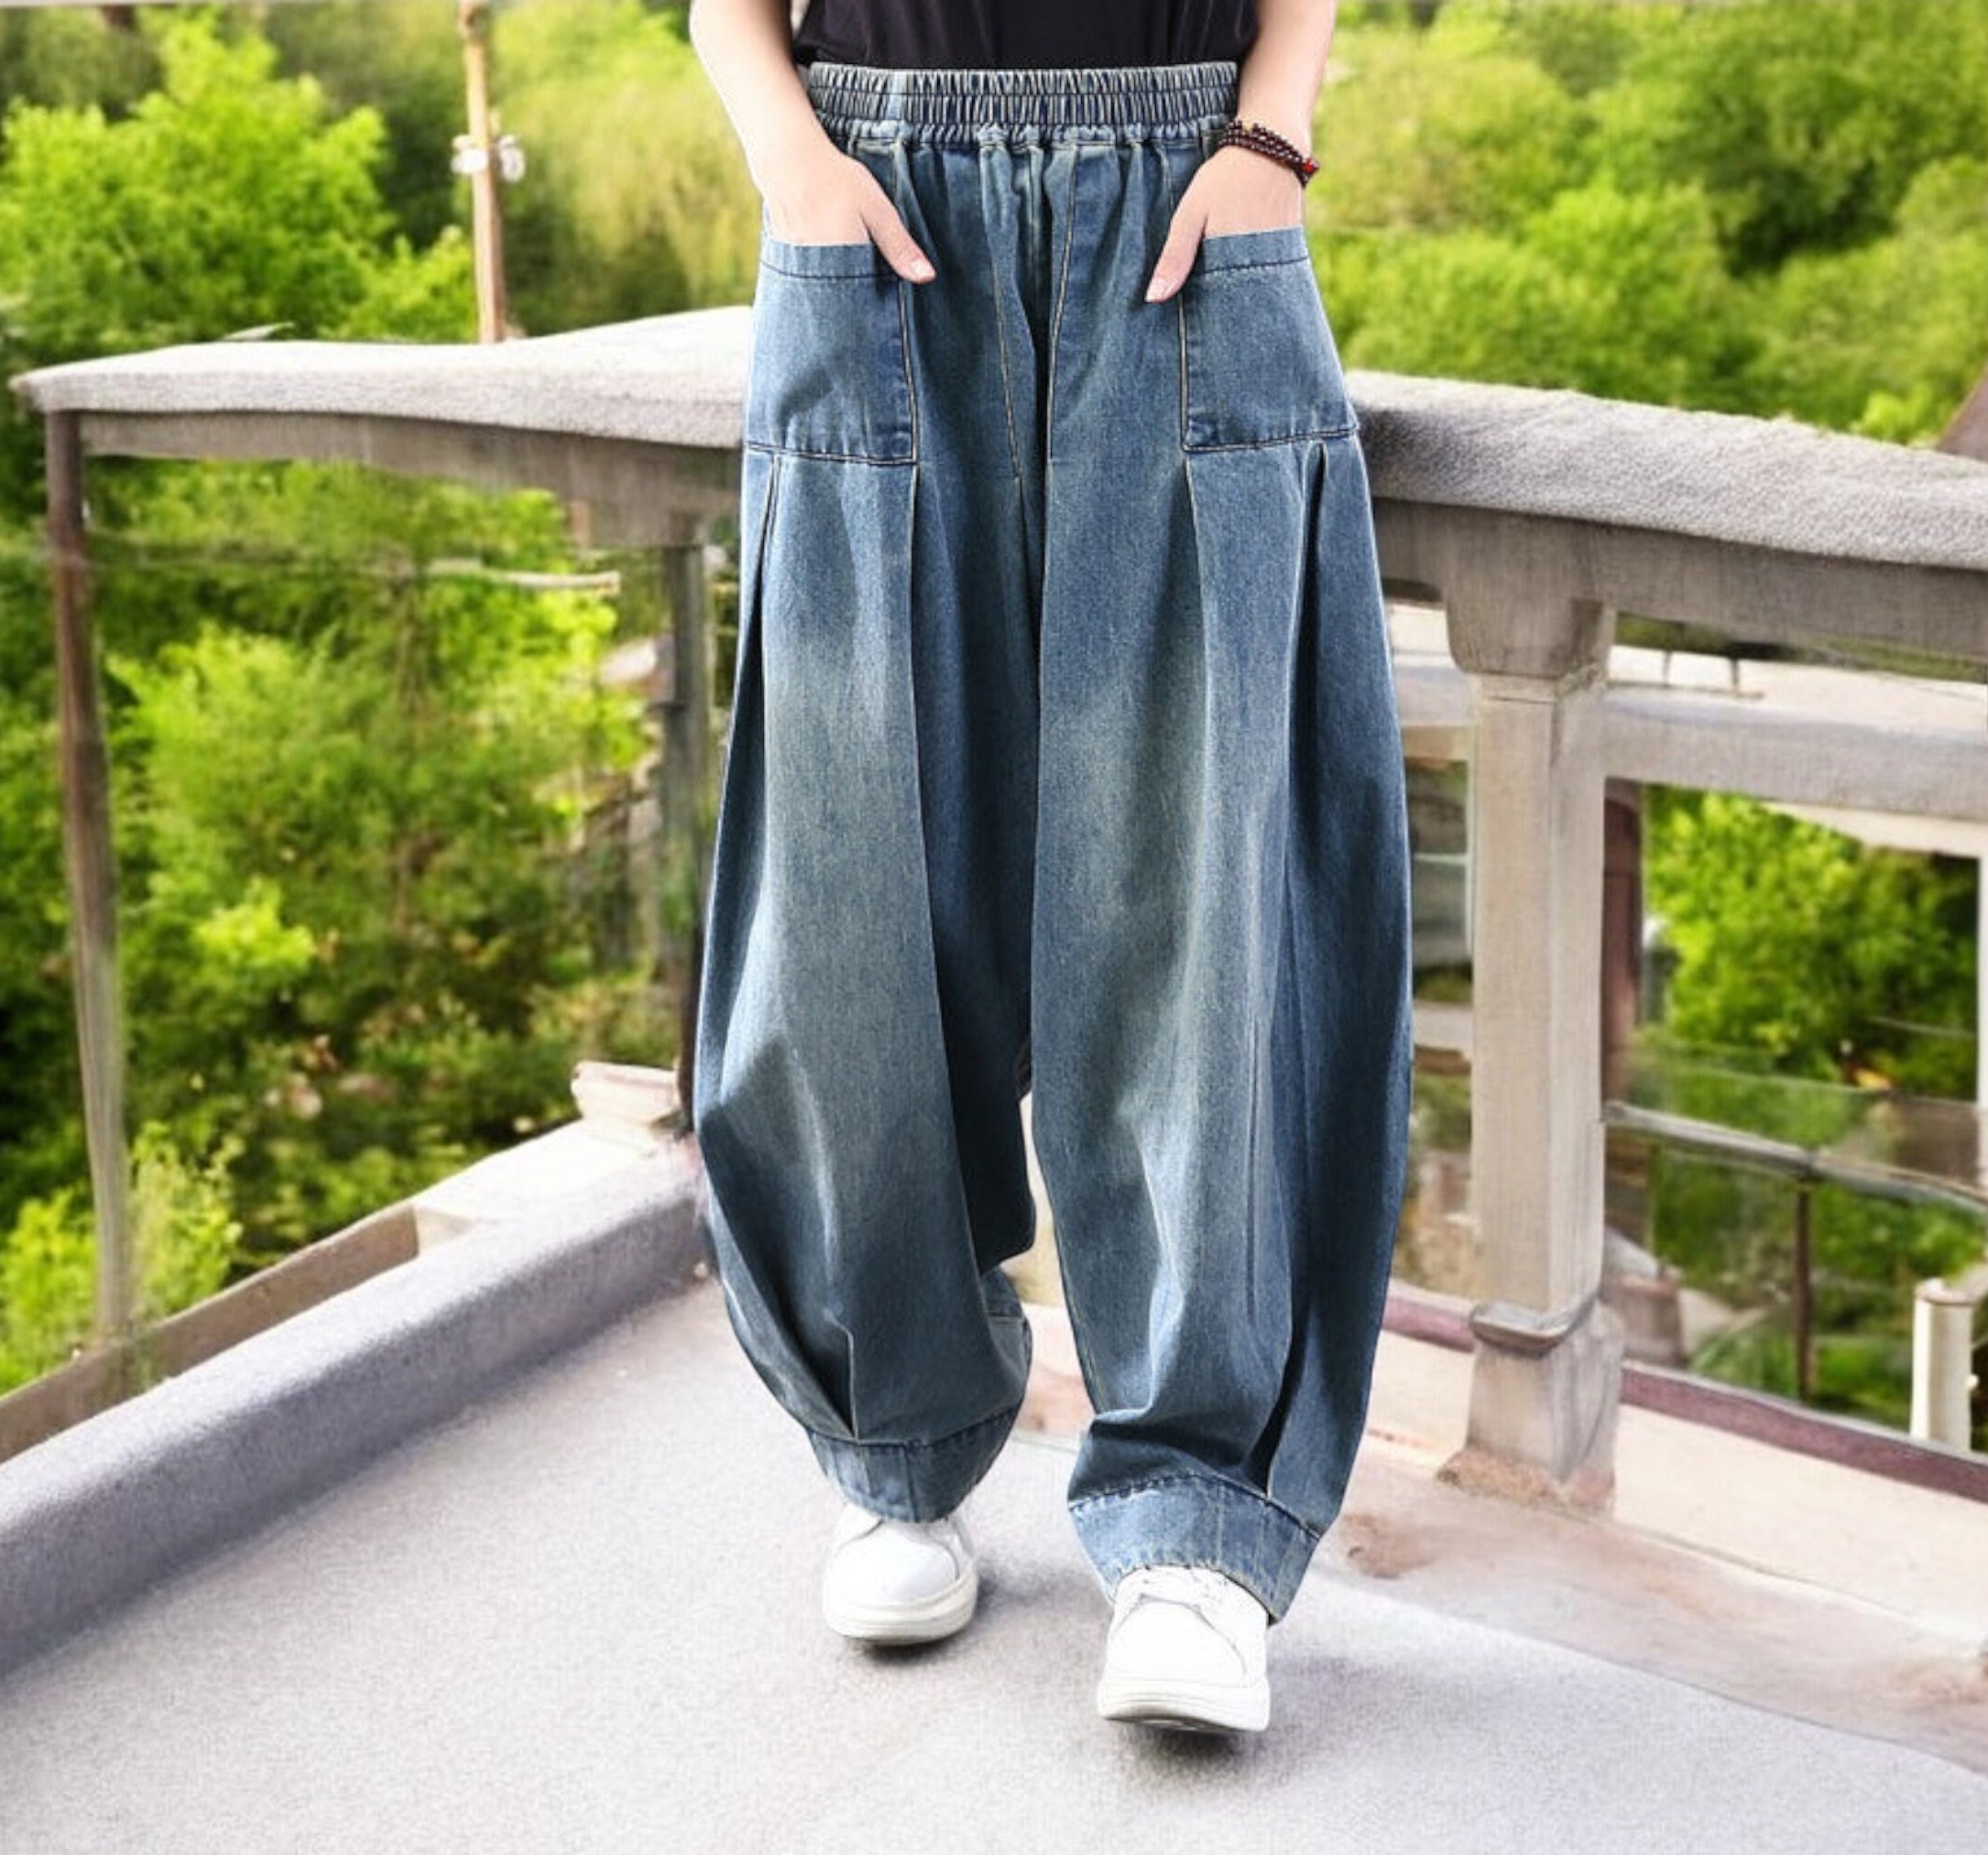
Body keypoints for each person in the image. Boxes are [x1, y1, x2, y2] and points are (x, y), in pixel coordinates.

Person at [683, 0, 1412, 1737]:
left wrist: (1270, 137)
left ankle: (1200, 1524)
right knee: (855, 865)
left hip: (1186, 192)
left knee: (1203, 875)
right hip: (871, 197)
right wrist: (793, 162)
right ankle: (889, 1437)